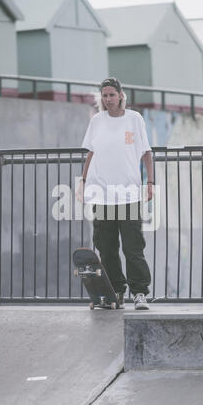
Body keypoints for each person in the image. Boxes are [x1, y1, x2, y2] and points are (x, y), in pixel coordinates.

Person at [76, 77, 154, 310]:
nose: (108, 99)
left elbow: (146, 153)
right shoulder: (97, 121)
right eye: (105, 95)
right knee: (106, 247)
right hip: (102, 195)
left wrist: (150, 182)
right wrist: (83, 181)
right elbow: (91, 153)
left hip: (129, 194)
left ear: (121, 95)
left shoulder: (134, 119)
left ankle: (139, 292)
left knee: (133, 247)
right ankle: (115, 292)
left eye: (112, 94)